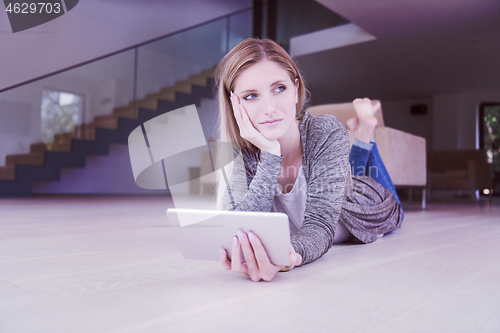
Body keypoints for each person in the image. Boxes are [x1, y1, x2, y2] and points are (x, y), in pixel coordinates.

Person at [214, 38, 403, 282]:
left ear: (295, 89)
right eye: (251, 96)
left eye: (279, 88)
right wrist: (270, 155)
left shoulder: (325, 130)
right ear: (233, 103)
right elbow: (237, 229)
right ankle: (363, 135)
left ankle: (366, 132)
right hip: (340, 182)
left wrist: (287, 254)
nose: (269, 108)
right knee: (347, 176)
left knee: (389, 204)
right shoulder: (237, 152)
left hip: (367, 205)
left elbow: (321, 225)